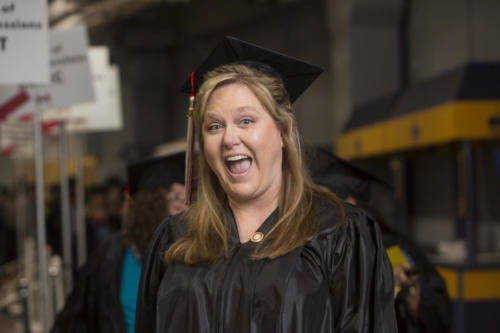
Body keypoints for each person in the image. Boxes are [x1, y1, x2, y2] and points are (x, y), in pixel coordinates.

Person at [135, 36, 397, 333]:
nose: (229, 138)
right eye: (214, 126)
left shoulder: (339, 232)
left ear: (284, 129)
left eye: (246, 120)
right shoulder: (175, 236)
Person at [308, 146, 451, 333]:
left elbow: (436, 310)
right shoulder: (316, 249)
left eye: (325, 202)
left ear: (350, 203)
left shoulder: (392, 248)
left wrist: (412, 298)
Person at [51, 151, 187, 333]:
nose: (183, 205)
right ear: (150, 204)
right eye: (175, 196)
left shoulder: (194, 254)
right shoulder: (110, 254)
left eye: (187, 198)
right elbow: (75, 316)